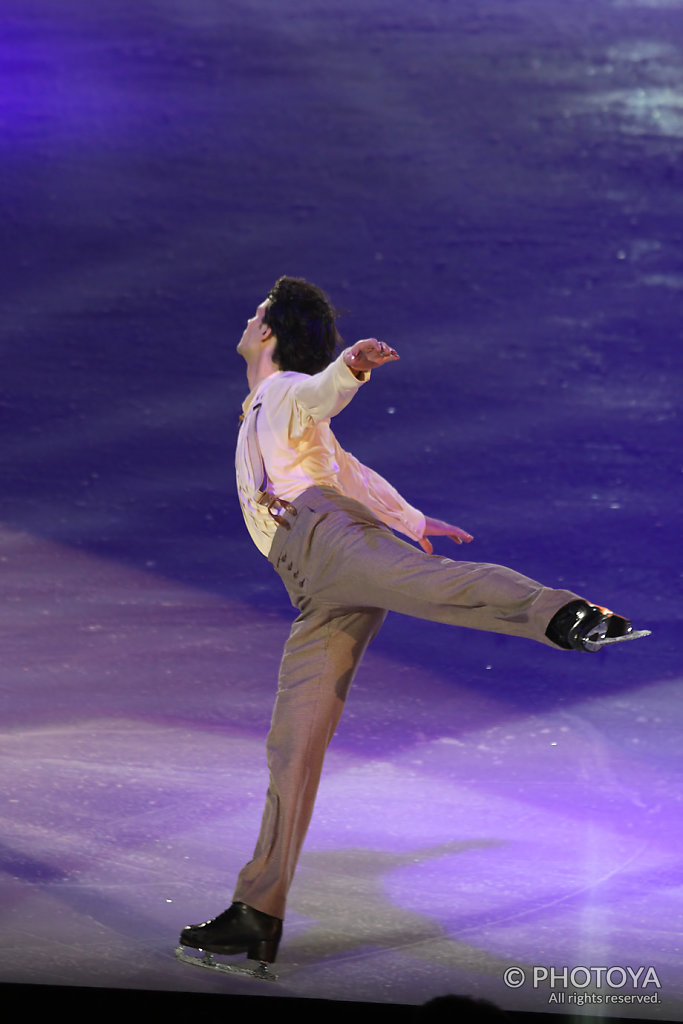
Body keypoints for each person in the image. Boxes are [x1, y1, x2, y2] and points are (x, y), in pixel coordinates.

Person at [178, 276, 639, 969]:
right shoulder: (264, 409)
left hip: (324, 542)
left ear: (268, 332)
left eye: (254, 315)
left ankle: (566, 615)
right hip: (313, 584)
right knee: (292, 743)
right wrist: (412, 520)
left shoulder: (286, 391)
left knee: (436, 586)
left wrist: (350, 369)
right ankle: (255, 912)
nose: (247, 321)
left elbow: (317, 396)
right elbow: (348, 470)